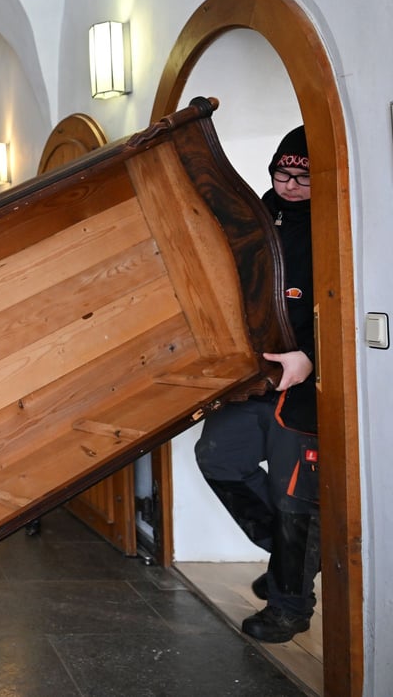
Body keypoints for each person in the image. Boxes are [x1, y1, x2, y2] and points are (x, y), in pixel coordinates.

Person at [195, 125, 320, 644]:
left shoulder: (339, 223)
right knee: (218, 455)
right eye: (281, 172)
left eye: (302, 177)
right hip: (253, 380)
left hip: (307, 389)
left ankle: (290, 604)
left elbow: (347, 304)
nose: (288, 184)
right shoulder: (253, 218)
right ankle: (291, 559)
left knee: (295, 497)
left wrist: (310, 358)